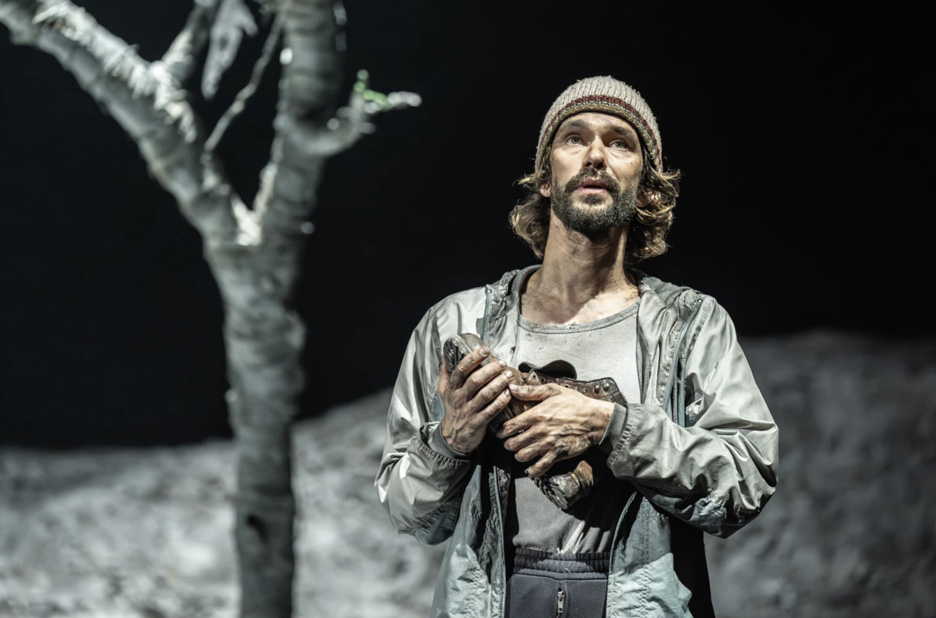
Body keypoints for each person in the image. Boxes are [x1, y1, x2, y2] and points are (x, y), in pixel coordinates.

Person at [375, 76, 778, 618]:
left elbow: (744, 483)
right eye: (574, 138)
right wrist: (452, 440)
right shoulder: (456, 322)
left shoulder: (689, 326)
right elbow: (410, 515)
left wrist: (611, 427)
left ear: (649, 188)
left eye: (619, 142)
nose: (595, 155)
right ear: (545, 177)